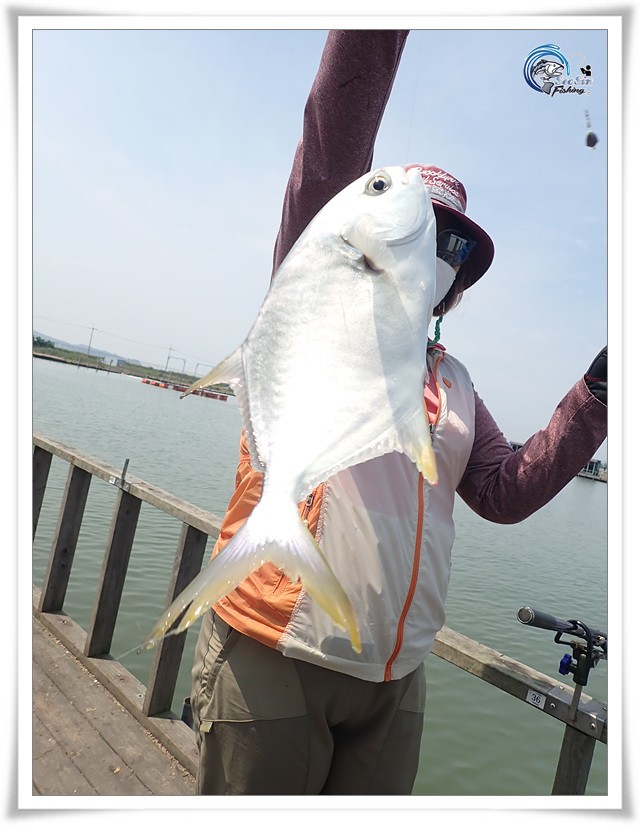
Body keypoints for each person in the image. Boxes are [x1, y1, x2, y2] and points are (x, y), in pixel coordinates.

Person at [190, 30, 607, 795]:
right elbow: (332, 143)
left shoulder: (458, 385)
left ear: (458, 285)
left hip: (396, 676)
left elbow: (505, 490)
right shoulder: (320, 296)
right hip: (274, 643)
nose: (436, 249)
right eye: (428, 227)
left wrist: (598, 393)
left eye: (455, 245)